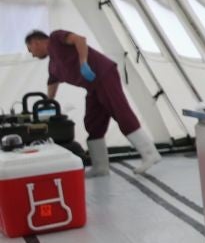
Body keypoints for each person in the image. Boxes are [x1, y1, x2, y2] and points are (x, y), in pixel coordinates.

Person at [25, 29, 160, 176]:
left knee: (120, 112)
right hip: (92, 87)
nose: (32, 54)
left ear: (35, 42)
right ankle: (100, 167)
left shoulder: (56, 37)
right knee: (92, 123)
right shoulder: (53, 65)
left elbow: (80, 39)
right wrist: (47, 104)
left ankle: (149, 153)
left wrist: (83, 63)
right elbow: (52, 83)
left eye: (30, 49)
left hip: (103, 74)